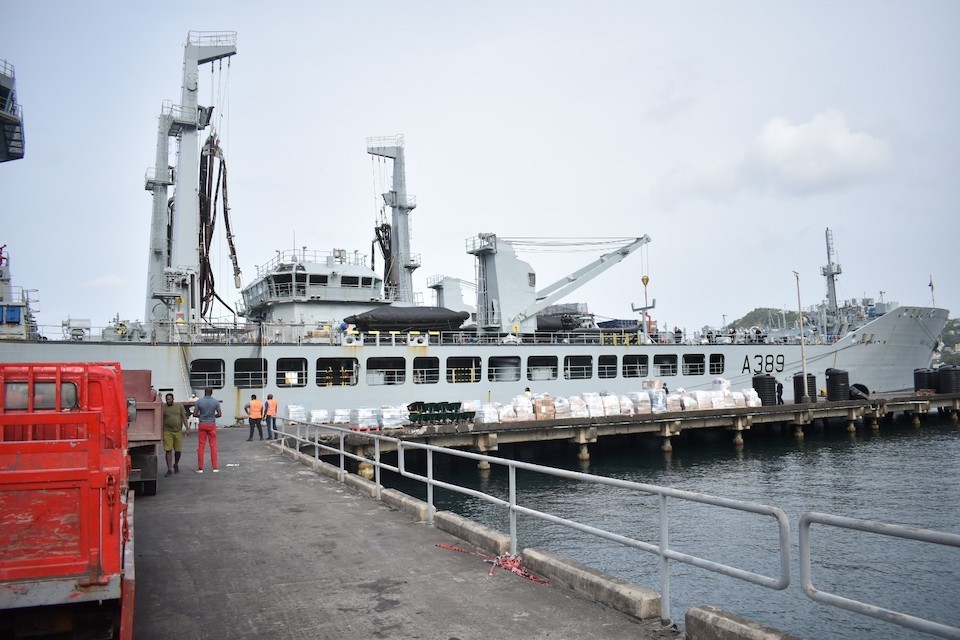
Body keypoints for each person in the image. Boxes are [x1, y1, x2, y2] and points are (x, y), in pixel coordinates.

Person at [193, 388, 222, 473]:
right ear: (212, 393)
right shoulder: (215, 402)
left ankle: (200, 468)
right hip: (211, 425)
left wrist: (202, 416)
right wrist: (213, 417)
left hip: (202, 424)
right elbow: (219, 414)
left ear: (204, 392)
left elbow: (195, 414)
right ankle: (215, 467)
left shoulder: (199, 402)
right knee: (213, 446)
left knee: (201, 446)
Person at [161, 393, 189, 477]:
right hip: (167, 431)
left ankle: (176, 464)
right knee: (168, 450)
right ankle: (169, 469)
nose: (168, 401)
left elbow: (184, 417)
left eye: (169, 399)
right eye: (167, 399)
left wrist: (187, 428)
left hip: (177, 431)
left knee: (178, 450)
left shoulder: (179, 406)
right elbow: (160, 419)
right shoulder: (163, 407)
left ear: (173, 399)